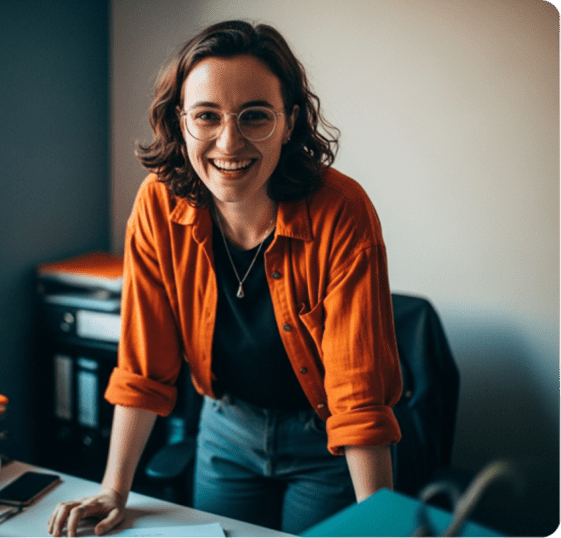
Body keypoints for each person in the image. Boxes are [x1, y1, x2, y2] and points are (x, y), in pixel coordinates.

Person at [48, 20, 402, 537]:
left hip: (324, 442)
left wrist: (380, 523)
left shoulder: (341, 210)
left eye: (255, 116)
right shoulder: (158, 205)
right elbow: (144, 367)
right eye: (206, 116)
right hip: (225, 432)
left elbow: (358, 395)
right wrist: (113, 489)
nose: (229, 142)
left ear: (290, 122)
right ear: (181, 122)